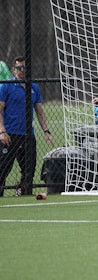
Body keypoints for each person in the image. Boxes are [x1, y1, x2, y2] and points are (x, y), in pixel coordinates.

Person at [0, 56, 55, 196]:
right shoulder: (6, 85)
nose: (22, 70)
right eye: (19, 68)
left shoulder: (34, 87)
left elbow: (39, 111)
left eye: (25, 67)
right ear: (14, 69)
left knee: (29, 169)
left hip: (27, 135)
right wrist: (2, 131)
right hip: (10, 134)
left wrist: (46, 131)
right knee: (3, 168)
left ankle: (23, 192)